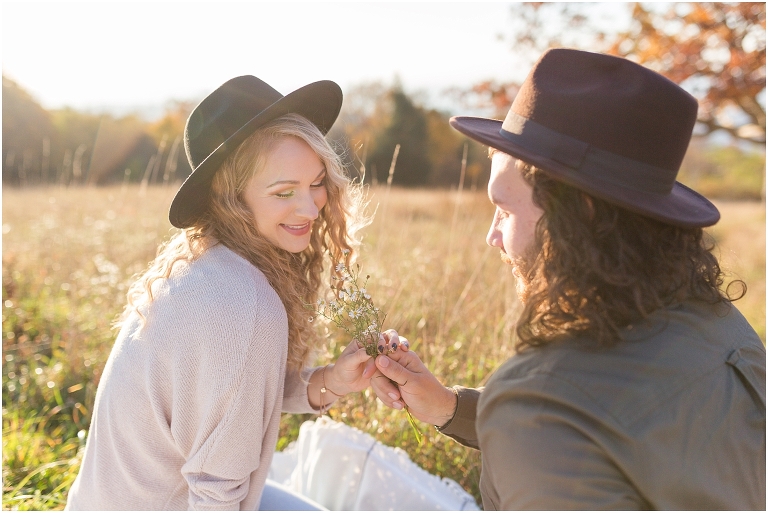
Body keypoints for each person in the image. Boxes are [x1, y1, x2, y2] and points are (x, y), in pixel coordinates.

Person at [371, 48, 766, 510]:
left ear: (580, 217)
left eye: (504, 209)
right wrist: (451, 408)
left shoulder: (539, 407)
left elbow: (564, 422)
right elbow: (622, 434)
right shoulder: (718, 324)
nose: (491, 236)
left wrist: (510, 412)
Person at [66, 76, 388, 510]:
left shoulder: (207, 262)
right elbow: (216, 491)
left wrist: (330, 381)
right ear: (233, 198)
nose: (311, 207)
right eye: (283, 192)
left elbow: (226, 388)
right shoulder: (242, 304)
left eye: (316, 183)